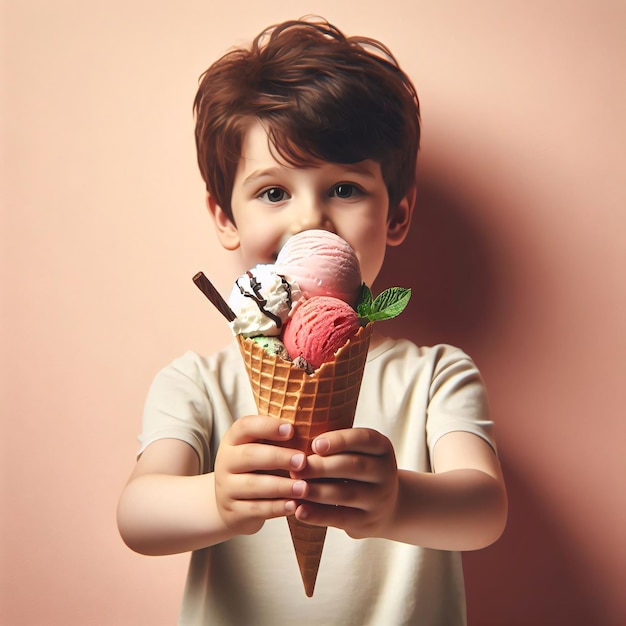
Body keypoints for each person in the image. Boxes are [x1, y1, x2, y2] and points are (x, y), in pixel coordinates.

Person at [117, 17, 507, 625]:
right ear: (226, 217)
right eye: (274, 192)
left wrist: (398, 500)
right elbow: (138, 516)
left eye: (346, 188)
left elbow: (484, 510)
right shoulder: (196, 382)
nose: (310, 219)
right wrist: (218, 497)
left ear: (397, 215)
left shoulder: (435, 374)